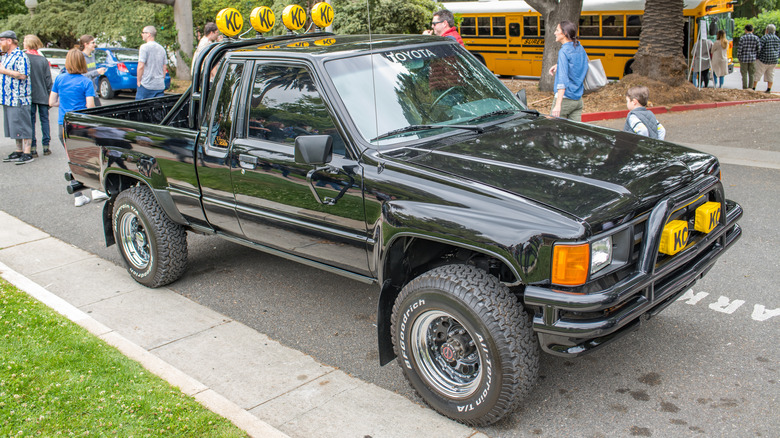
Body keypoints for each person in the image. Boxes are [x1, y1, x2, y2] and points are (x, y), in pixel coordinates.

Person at [49, 49, 97, 206]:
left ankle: (78, 195)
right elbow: (90, 106)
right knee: (89, 156)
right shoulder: (86, 82)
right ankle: (96, 190)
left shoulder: (60, 79)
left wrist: (62, 105)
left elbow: (52, 102)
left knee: (72, 158)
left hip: (63, 124)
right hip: (80, 124)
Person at [0, 30, 34, 165]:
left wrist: (4, 71)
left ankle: (27, 152)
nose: (0, 43)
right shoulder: (5, 56)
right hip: (8, 98)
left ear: (9, 41)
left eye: (2, 40)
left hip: (19, 98)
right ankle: (18, 150)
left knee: (23, 125)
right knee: (14, 126)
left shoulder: (21, 56)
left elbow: (23, 75)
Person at [548, 21, 589, 122]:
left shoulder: (564, 52)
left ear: (564, 33)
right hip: (578, 100)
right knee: (574, 134)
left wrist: (558, 105)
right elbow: (583, 62)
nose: (554, 33)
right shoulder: (579, 47)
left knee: (554, 133)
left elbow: (562, 80)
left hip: (565, 100)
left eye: (557, 30)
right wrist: (560, 64)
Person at [23, 34, 52, 157]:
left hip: (29, 95)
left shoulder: (24, 58)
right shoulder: (42, 59)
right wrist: (50, 95)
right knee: (44, 120)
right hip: (43, 94)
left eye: (24, 41)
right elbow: (48, 80)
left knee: (31, 121)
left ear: (28, 43)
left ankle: (33, 148)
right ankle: (46, 146)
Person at [136, 26, 167, 100]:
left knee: (140, 108)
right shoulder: (161, 48)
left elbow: (141, 66)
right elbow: (164, 67)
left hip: (147, 84)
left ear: (148, 34)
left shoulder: (144, 47)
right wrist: (162, 79)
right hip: (159, 85)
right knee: (157, 109)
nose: (142, 34)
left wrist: (139, 81)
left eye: (143, 33)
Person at [79, 35, 107, 105]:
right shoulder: (80, 57)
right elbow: (81, 76)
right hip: (84, 93)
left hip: (93, 90)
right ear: (85, 44)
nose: (94, 44)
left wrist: (98, 72)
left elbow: (92, 74)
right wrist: (96, 72)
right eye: (92, 43)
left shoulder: (92, 56)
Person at [755, 24, 780, 93]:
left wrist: (757, 56)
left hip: (764, 59)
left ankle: (753, 87)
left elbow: (760, 48)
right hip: (774, 60)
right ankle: (769, 89)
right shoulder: (777, 39)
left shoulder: (764, 38)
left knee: (757, 73)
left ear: (767, 30)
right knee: (771, 74)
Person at [737, 24, 760, 90]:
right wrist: (757, 57)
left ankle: (744, 88)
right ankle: (751, 88)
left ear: (745, 30)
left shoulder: (742, 38)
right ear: (752, 30)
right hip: (752, 58)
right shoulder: (756, 38)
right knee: (752, 74)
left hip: (744, 59)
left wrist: (739, 57)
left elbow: (739, 49)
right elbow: (758, 49)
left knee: (744, 74)